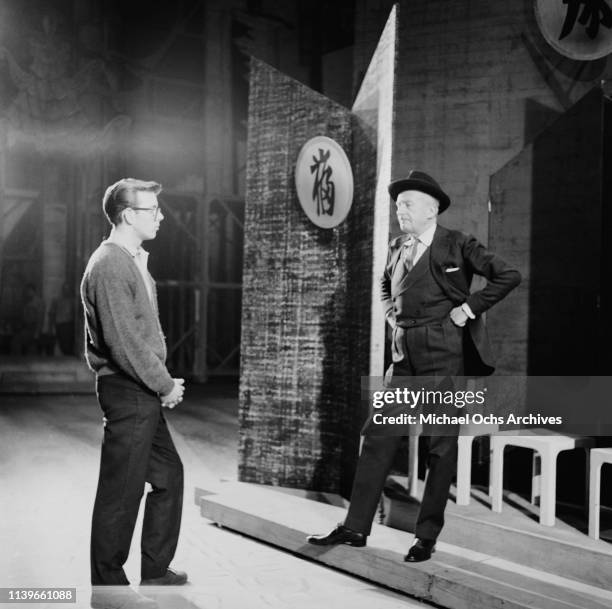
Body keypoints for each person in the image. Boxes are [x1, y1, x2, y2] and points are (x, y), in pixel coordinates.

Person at [308, 170, 521, 562]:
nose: (399, 210)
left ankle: (426, 536)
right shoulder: (396, 246)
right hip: (403, 355)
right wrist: (390, 314)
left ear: (432, 208)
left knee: (439, 447)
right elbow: (386, 285)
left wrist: (469, 308)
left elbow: (509, 275)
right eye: (398, 204)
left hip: (444, 353)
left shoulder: (457, 243)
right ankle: (355, 527)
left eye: (407, 203)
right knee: (378, 437)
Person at [81, 178, 187, 608]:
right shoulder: (109, 264)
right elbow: (125, 342)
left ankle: (156, 571)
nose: (161, 216)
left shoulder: (131, 259)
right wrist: (164, 384)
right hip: (129, 389)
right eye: (153, 210)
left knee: (168, 476)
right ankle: (109, 589)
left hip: (141, 388)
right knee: (121, 491)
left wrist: (159, 382)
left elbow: (140, 331)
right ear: (129, 215)